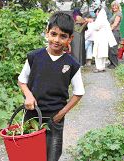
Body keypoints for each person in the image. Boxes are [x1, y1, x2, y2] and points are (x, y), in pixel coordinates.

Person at [18, 12, 85, 161]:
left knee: (52, 156)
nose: (57, 40)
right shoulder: (34, 57)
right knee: (29, 155)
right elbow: (22, 80)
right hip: (32, 115)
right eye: (53, 34)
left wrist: (60, 115)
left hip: (54, 119)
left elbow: (79, 93)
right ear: (47, 33)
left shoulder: (72, 64)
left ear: (70, 39)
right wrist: (28, 95)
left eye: (63, 36)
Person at [92, 6, 117, 72]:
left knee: (98, 54)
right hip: (105, 39)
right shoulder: (106, 20)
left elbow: (96, 27)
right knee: (103, 53)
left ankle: (98, 67)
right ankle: (103, 67)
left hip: (99, 38)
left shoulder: (99, 19)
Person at [108, 1, 123, 69]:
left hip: (115, 32)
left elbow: (115, 24)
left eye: (115, 6)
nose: (114, 7)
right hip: (112, 32)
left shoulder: (118, 14)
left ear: (118, 6)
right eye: (113, 6)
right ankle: (112, 63)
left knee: (113, 48)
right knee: (110, 48)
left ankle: (115, 64)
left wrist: (108, 30)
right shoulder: (113, 14)